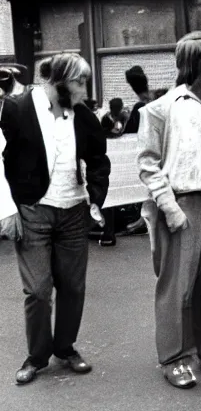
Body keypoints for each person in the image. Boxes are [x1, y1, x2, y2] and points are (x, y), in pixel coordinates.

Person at [137, 31, 201, 389]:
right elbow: (148, 164)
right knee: (176, 287)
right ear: (191, 61)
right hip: (181, 205)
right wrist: (169, 207)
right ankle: (173, 357)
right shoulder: (163, 108)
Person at [0, 52, 110, 384]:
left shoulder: (83, 115)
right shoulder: (18, 110)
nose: (84, 89)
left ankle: (65, 348)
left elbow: (99, 158)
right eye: (79, 82)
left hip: (74, 211)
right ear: (58, 82)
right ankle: (37, 356)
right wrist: (6, 211)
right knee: (37, 290)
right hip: (33, 210)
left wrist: (95, 198)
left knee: (73, 286)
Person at [124, 65, 152, 134]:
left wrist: (126, 119)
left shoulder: (139, 107)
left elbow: (129, 133)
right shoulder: (156, 99)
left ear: (133, 87)